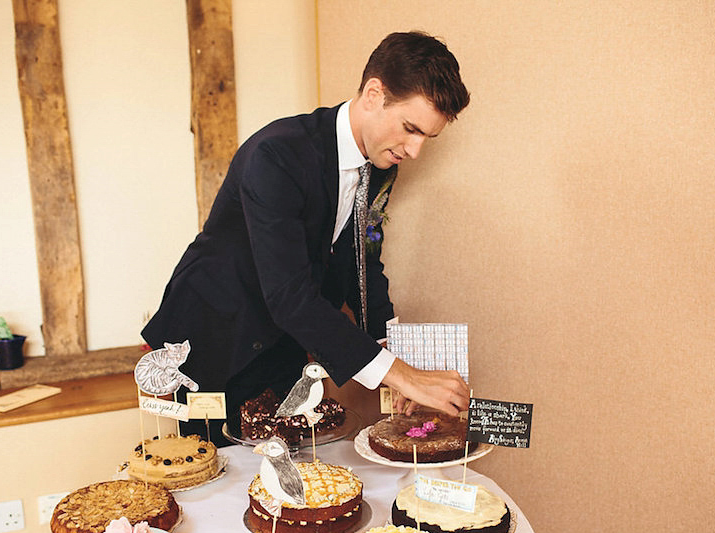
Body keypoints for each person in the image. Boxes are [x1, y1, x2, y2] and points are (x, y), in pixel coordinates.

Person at [143, 31, 471, 446]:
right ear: (373, 94)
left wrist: (394, 351)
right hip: (216, 334)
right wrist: (405, 376)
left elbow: (363, 263)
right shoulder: (276, 155)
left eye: (427, 136)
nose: (415, 150)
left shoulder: (381, 164)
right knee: (217, 477)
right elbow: (290, 295)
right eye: (410, 128)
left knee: (286, 475)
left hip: (284, 341)